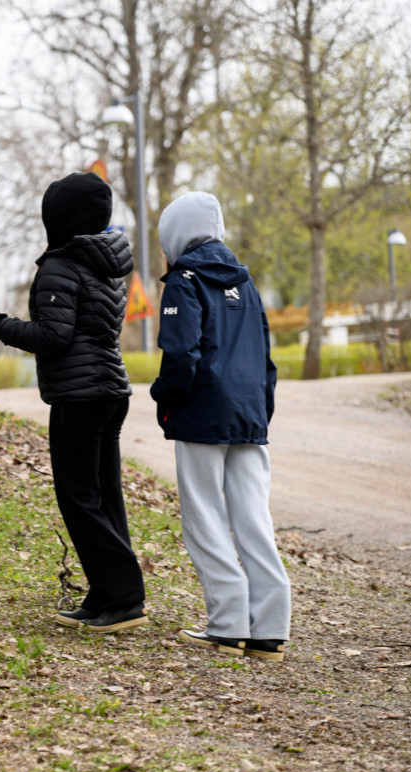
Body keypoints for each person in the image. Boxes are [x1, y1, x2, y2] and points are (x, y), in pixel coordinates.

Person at [0, 171, 147, 634]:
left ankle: (126, 594)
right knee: (104, 495)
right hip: (111, 389)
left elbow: (53, 336)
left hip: (80, 394)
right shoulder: (110, 263)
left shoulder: (61, 264)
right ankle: (106, 593)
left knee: (78, 497)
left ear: (59, 218)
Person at [149, 191, 290, 662]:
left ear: (177, 233)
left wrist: (163, 399)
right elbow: (265, 357)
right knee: (253, 517)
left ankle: (228, 624)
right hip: (249, 414)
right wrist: (261, 408)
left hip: (203, 414)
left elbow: (181, 354)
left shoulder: (185, 280)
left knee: (204, 516)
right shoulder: (245, 281)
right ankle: (270, 628)